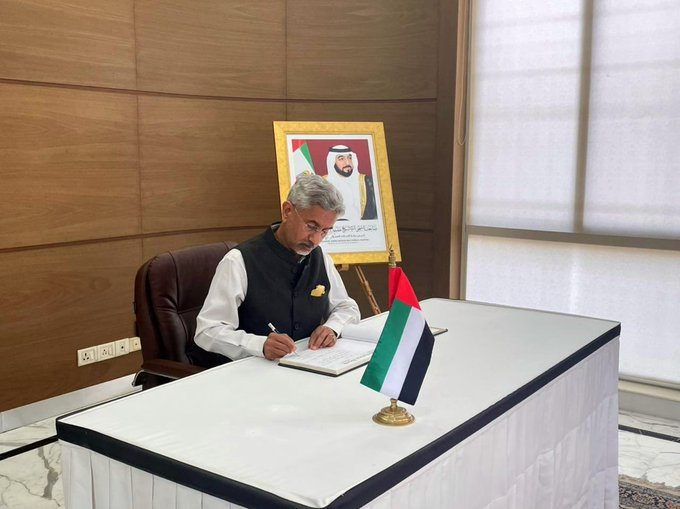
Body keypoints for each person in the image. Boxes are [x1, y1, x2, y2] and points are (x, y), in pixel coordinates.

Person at [193, 174, 361, 362]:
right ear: (287, 211)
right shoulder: (238, 261)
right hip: (250, 373)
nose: (316, 239)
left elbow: (347, 307)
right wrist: (259, 345)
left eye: (324, 231)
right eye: (311, 226)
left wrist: (333, 327)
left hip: (308, 366)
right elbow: (207, 331)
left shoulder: (320, 257)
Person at [323, 145, 377, 221]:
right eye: (341, 159)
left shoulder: (367, 182)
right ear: (332, 162)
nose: (348, 163)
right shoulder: (322, 184)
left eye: (349, 158)